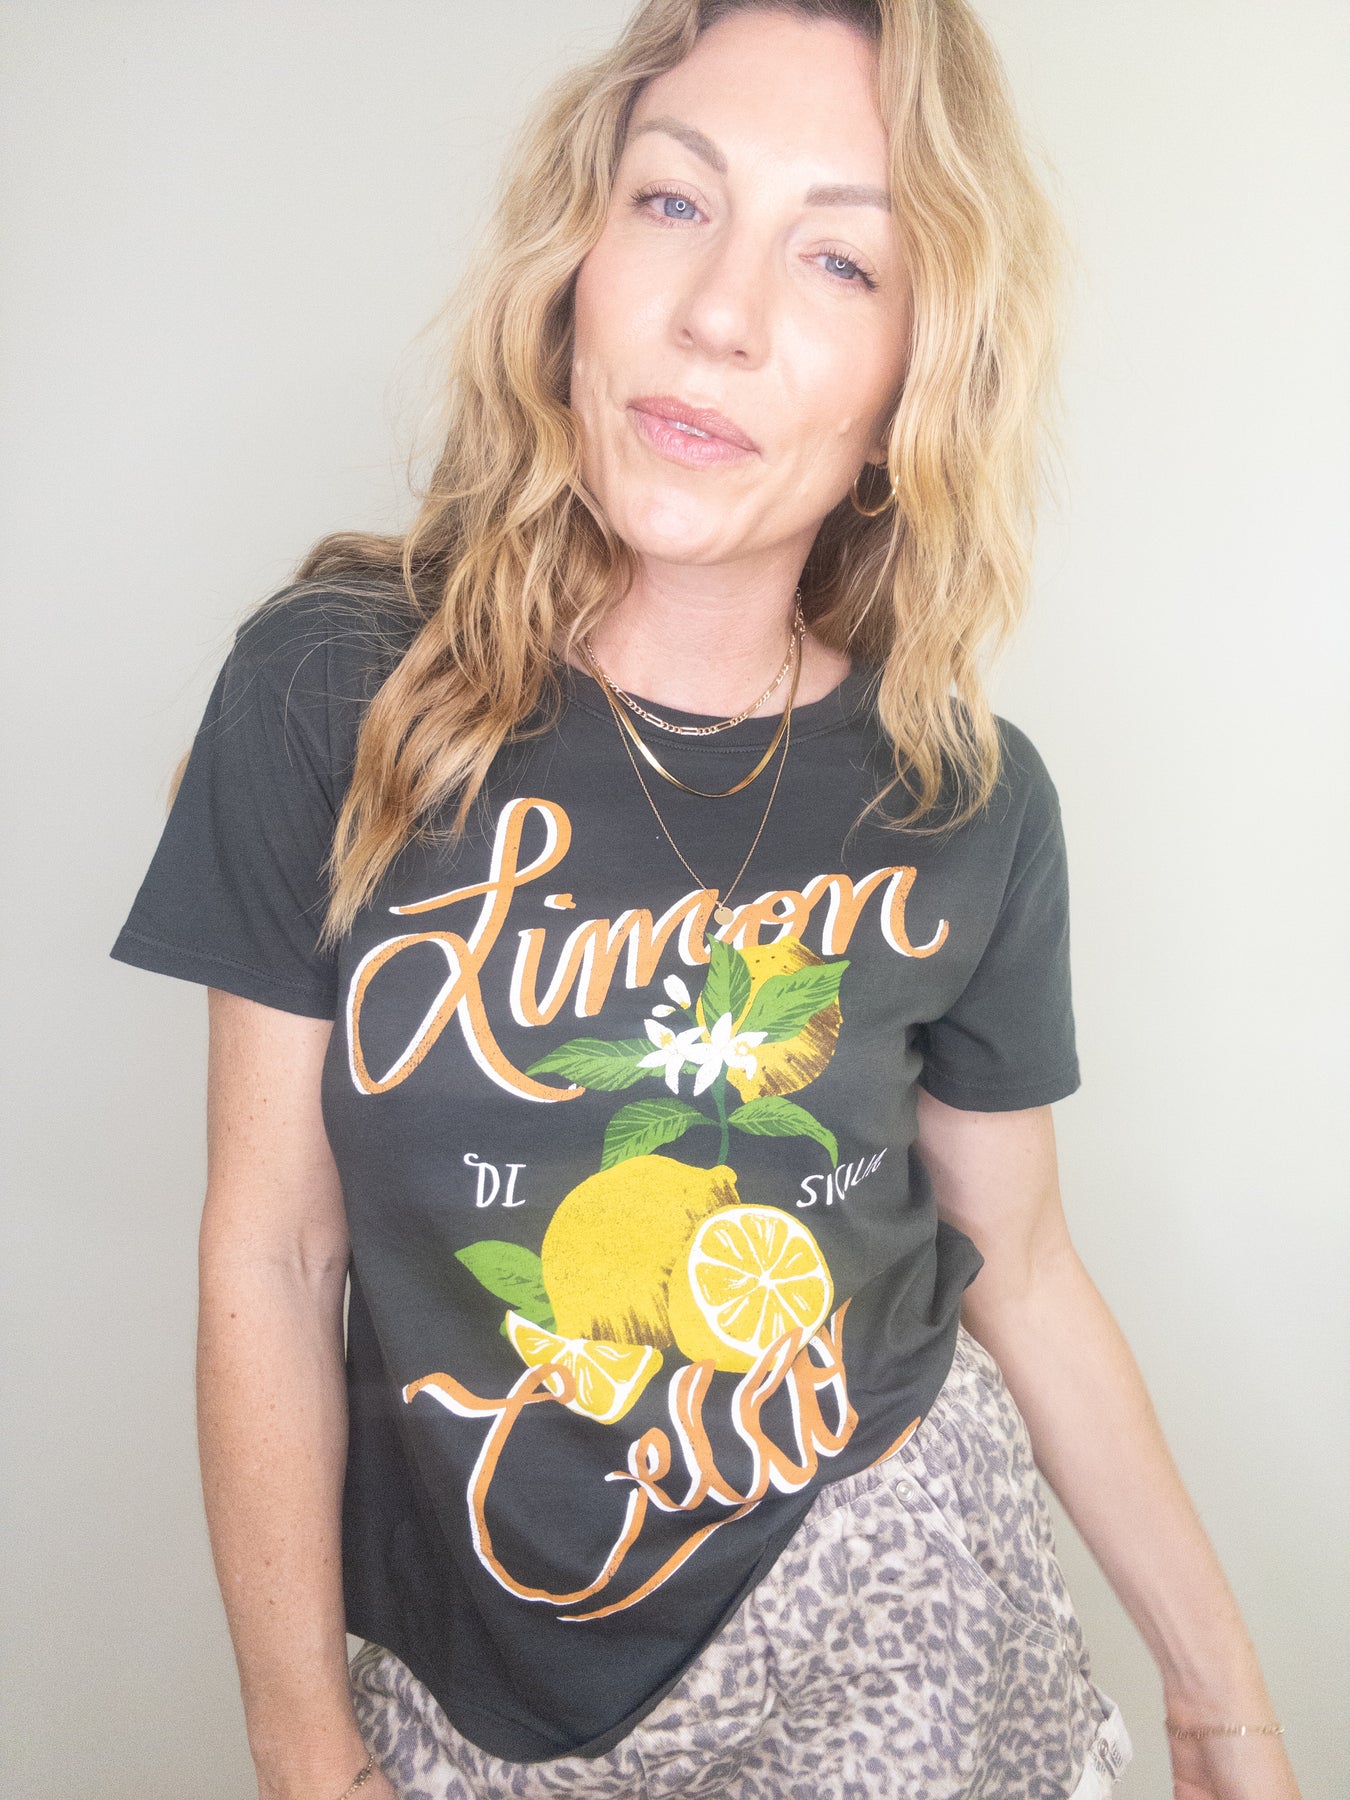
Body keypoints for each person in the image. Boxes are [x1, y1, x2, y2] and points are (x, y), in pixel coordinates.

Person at [110, 3, 1302, 1798]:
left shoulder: (966, 798)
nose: (719, 314)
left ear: (910, 388)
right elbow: (272, 1255)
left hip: (897, 1595)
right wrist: (301, 1750)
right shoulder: (337, 691)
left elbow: (1026, 1264)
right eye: (672, 202)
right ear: (574, 270)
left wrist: (1219, 1697)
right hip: (474, 1674)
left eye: (839, 258)